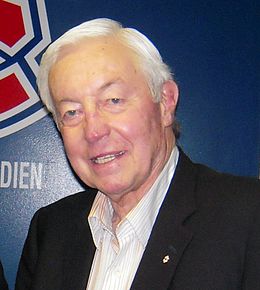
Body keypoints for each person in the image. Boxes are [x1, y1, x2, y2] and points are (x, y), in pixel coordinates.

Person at [15, 18, 260, 290]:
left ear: (165, 102)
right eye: (72, 112)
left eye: (113, 101)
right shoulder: (51, 231)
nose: (93, 131)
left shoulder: (248, 216)